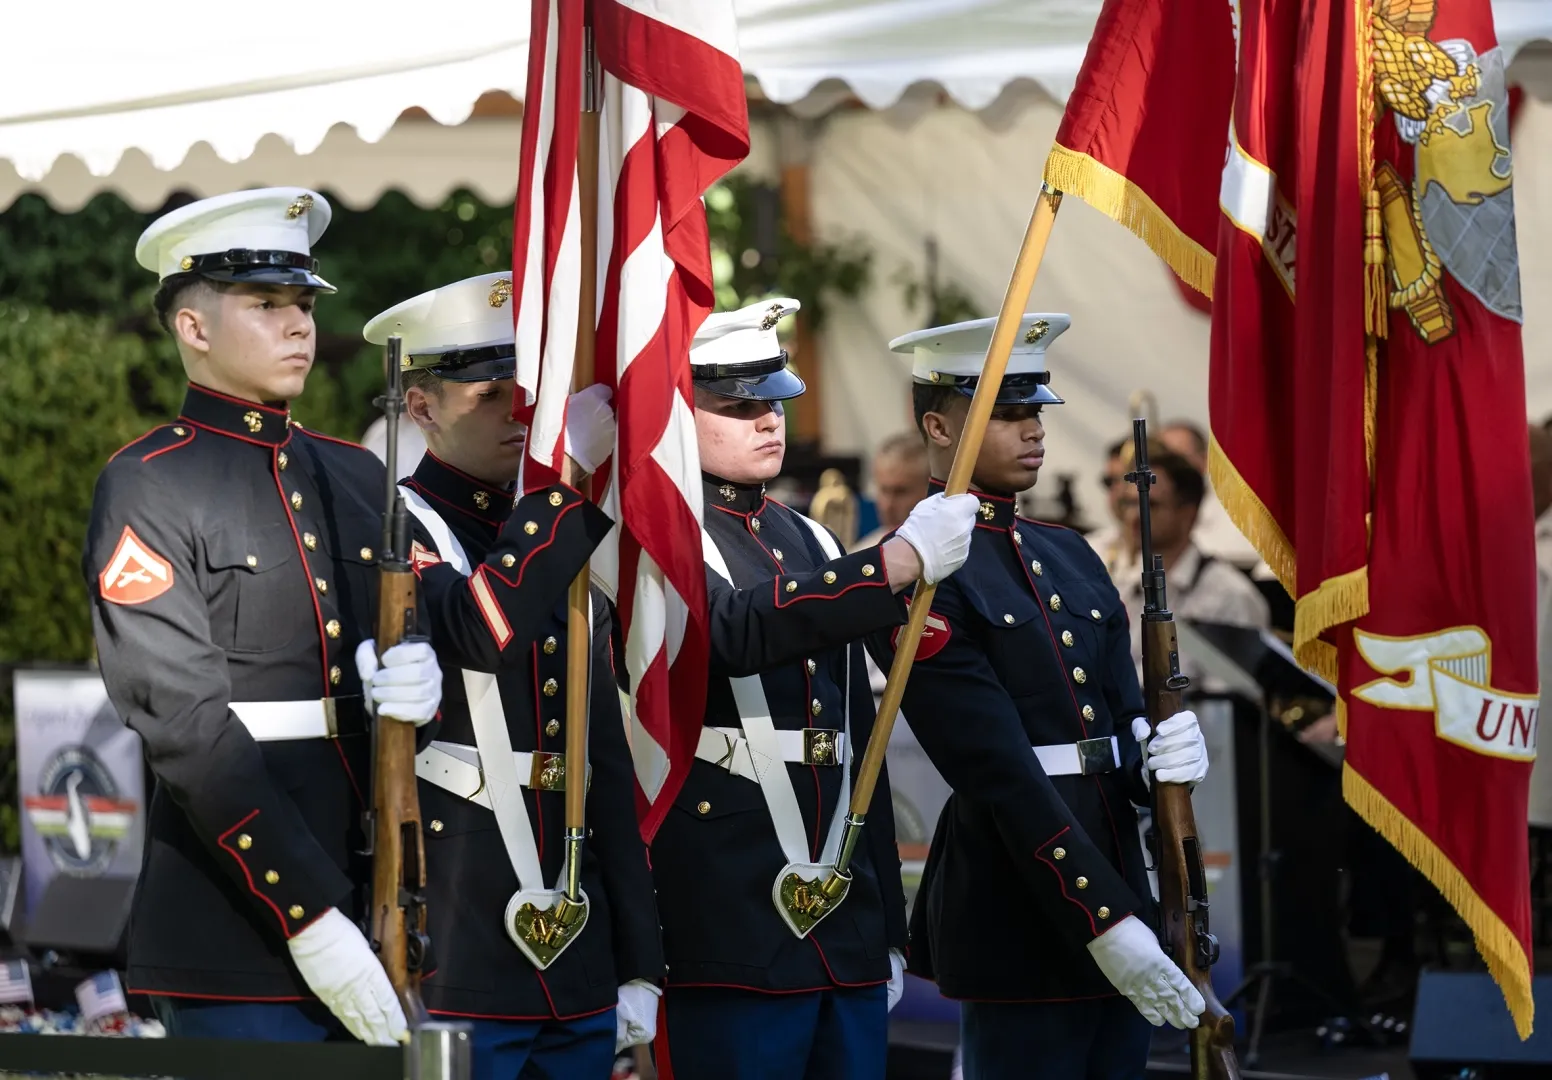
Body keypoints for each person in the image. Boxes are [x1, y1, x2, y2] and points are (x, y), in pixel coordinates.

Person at [82, 188, 444, 1045]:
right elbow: (182, 722)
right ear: (193, 329)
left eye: (305, 304)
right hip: (236, 915)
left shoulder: (354, 474)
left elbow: (403, 643)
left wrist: (421, 682)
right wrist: (310, 915)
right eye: (266, 304)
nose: (299, 325)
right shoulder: (150, 482)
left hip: (379, 890)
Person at [868, 313, 1209, 1080]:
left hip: (1119, 864)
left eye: (1035, 412)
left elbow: (1122, 706)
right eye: (1007, 414)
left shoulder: (1067, 550)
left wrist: (1161, 754)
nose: (1033, 431)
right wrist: (1105, 918)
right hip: (1019, 891)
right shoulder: (921, 572)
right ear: (938, 425)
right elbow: (995, 770)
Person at [650, 299, 979, 1080]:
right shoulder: (657, 530)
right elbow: (730, 630)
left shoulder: (810, 537)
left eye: (774, 401)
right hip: (728, 915)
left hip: (842, 916)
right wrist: (887, 566)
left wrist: (885, 925)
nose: (767, 420)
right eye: (737, 405)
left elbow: (858, 741)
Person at [362, 271, 663, 1079]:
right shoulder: (392, 524)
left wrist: (638, 953)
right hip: (460, 937)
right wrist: (562, 484)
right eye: (490, 394)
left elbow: (600, 756)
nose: (517, 414)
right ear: (422, 408)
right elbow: (478, 630)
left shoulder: (553, 530)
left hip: (576, 944)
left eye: (526, 393)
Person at [1110, 448, 1270, 688]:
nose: (1134, 516)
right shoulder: (1125, 585)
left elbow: (1238, 698)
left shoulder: (1230, 596)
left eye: (1150, 504)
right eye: (1129, 504)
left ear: (1188, 513)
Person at [1158, 420, 1260, 569]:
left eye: (1178, 460)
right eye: (1160, 462)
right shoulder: (1145, 516)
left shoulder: (1241, 519)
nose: (1167, 472)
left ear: (1205, 460)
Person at [852, 432, 931, 551]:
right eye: (884, 490)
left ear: (930, 492)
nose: (888, 505)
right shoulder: (860, 556)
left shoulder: (958, 557)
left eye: (900, 492)